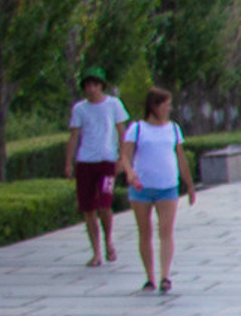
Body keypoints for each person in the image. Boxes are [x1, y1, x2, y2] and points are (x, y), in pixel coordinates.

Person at [120, 86, 198, 294]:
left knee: (166, 231)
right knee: (144, 232)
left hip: (168, 186)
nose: (168, 109)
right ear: (154, 106)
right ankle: (150, 277)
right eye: (165, 105)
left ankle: (165, 275)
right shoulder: (137, 129)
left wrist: (189, 184)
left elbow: (180, 158)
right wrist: (130, 173)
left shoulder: (173, 129)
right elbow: (125, 156)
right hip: (142, 187)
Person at [66, 68, 122, 269]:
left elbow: (122, 131)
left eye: (94, 84)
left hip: (107, 160)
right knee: (88, 208)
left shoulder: (113, 104)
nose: (91, 89)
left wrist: (123, 158)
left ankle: (109, 241)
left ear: (101, 85)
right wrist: (68, 162)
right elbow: (74, 135)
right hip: (85, 161)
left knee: (105, 204)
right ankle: (96, 251)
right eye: (87, 85)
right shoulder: (80, 109)